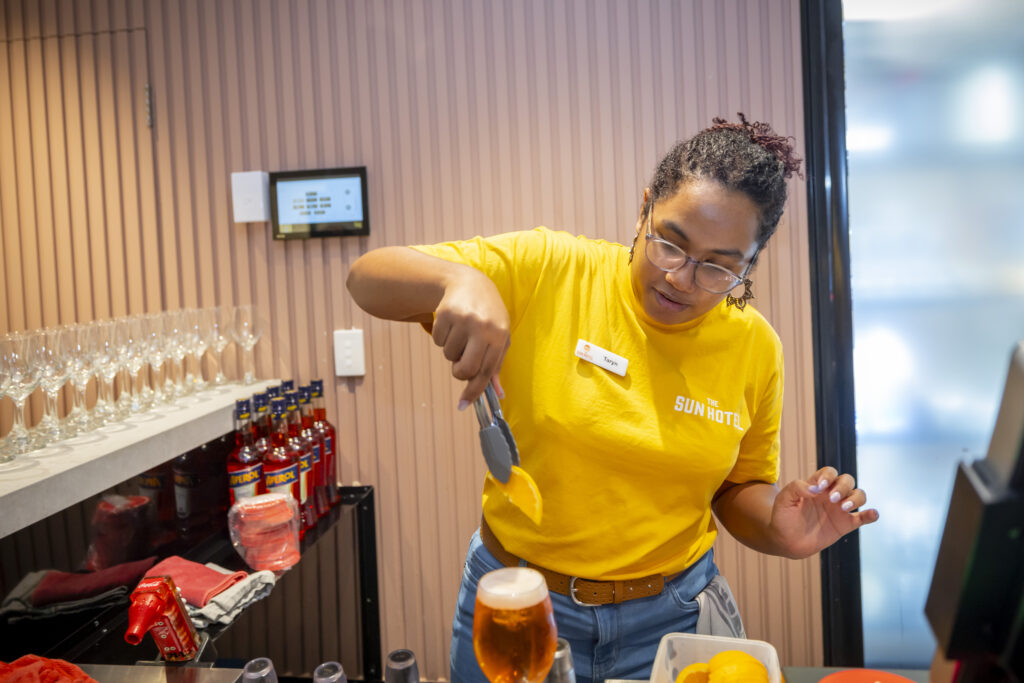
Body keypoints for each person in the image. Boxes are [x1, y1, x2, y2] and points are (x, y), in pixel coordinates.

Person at [346, 114, 880, 683]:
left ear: (750, 264)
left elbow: (735, 487)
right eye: (669, 244)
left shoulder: (754, 347)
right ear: (643, 209)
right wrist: (457, 281)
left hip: (674, 617)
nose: (681, 278)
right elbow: (366, 276)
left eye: (719, 269)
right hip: (522, 606)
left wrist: (777, 527)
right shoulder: (552, 268)